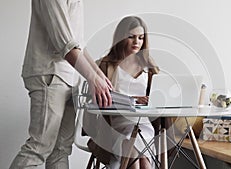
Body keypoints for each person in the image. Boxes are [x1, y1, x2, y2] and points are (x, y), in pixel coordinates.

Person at [9, 1, 112, 169]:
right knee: (39, 147)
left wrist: (100, 76)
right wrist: (93, 78)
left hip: (69, 76)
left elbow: (78, 43)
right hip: (49, 74)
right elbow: (65, 43)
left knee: (61, 150)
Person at [84, 16, 160, 169]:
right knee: (133, 149)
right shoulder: (106, 65)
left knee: (142, 157)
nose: (136, 42)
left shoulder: (149, 66)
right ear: (121, 37)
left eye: (140, 38)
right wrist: (132, 99)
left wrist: (152, 99)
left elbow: (158, 96)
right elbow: (97, 98)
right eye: (131, 37)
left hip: (143, 123)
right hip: (115, 124)